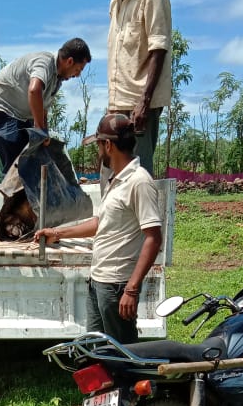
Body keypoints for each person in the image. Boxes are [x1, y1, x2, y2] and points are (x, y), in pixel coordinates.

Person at [34, 113, 162, 345]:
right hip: (99, 281)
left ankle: (127, 382)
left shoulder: (139, 181)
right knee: (94, 348)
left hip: (117, 286)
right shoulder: (116, 179)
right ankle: (107, 382)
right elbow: (100, 223)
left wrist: (131, 290)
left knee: (122, 354)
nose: (98, 152)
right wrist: (57, 233)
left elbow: (153, 238)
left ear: (108, 144)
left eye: (98, 146)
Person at [98, 0, 172, 176]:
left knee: (137, 173)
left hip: (140, 105)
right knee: (112, 173)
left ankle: (142, 215)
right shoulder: (115, 2)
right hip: (117, 104)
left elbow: (158, 48)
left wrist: (144, 101)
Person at [0, 38, 92, 174]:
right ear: (70, 61)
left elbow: (42, 110)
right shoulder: (44, 62)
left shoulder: (56, 80)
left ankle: (31, 192)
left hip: (16, 117)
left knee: (38, 157)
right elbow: (34, 90)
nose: (78, 75)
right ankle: (17, 192)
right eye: (78, 69)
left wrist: (45, 134)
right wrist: (39, 130)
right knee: (21, 163)